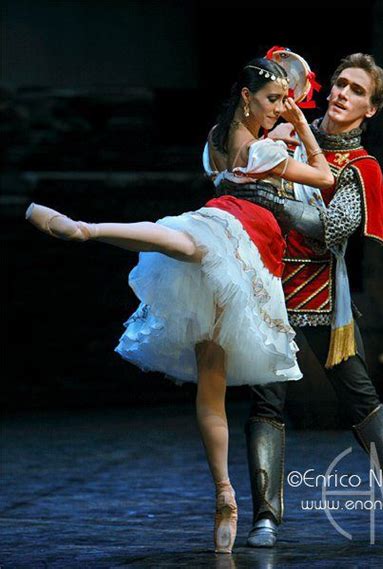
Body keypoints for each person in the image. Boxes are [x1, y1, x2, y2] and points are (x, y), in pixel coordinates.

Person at [25, 57, 334, 554]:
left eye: (286, 103)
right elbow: (324, 178)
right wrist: (301, 127)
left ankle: (224, 497)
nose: (283, 110)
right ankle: (87, 229)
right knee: (186, 245)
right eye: (274, 101)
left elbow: (231, 170)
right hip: (239, 239)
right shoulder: (263, 149)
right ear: (247, 97)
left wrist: (287, 119)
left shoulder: (216, 140)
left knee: (211, 375)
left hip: (237, 252)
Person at [228, 53, 383, 546]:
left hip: (324, 294)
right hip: (267, 283)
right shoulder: (279, 132)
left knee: (361, 401)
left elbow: (331, 227)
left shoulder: (361, 166)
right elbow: (232, 163)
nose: (343, 93)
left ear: (370, 109)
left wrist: (266, 197)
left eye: (356, 90)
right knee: (266, 400)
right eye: (340, 83)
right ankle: (266, 517)